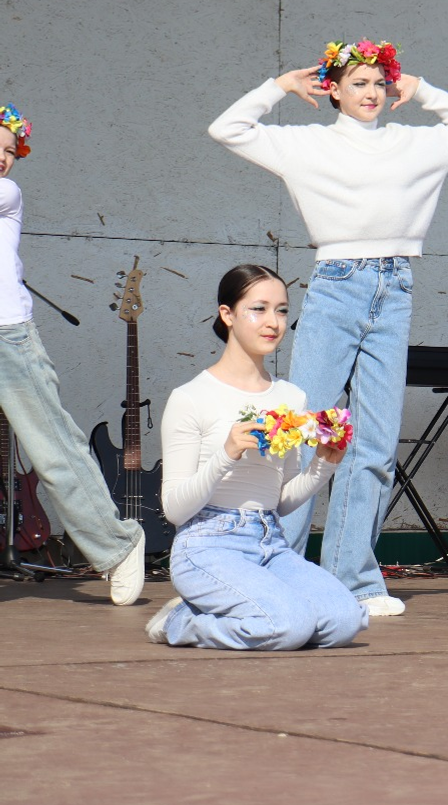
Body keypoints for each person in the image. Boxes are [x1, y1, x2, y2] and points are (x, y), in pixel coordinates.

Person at [209, 40, 448, 617]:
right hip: (336, 284)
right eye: (358, 82)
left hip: (396, 288)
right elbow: (227, 128)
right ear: (333, 90)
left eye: (380, 83)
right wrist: (280, 86)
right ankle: (279, 568)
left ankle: (353, 580)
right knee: (300, 432)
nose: (372, 93)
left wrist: (422, 89)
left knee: (375, 445)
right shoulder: (307, 143)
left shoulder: (411, 142)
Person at [148, 265, 368, 649]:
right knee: (288, 625)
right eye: (259, 309)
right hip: (207, 546)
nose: (273, 322)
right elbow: (175, 510)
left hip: (270, 540)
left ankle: (247, 611)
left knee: (343, 621)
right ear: (227, 314)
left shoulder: (291, 397)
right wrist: (227, 454)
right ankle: (179, 621)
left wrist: (324, 464)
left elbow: (280, 501)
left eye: (282, 311)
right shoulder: (191, 398)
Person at [0, 103, 146, 605]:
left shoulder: (8, 193)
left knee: (53, 451)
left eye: (11, 150)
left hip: (7, 336)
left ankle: (117, 546)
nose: (4, 158)